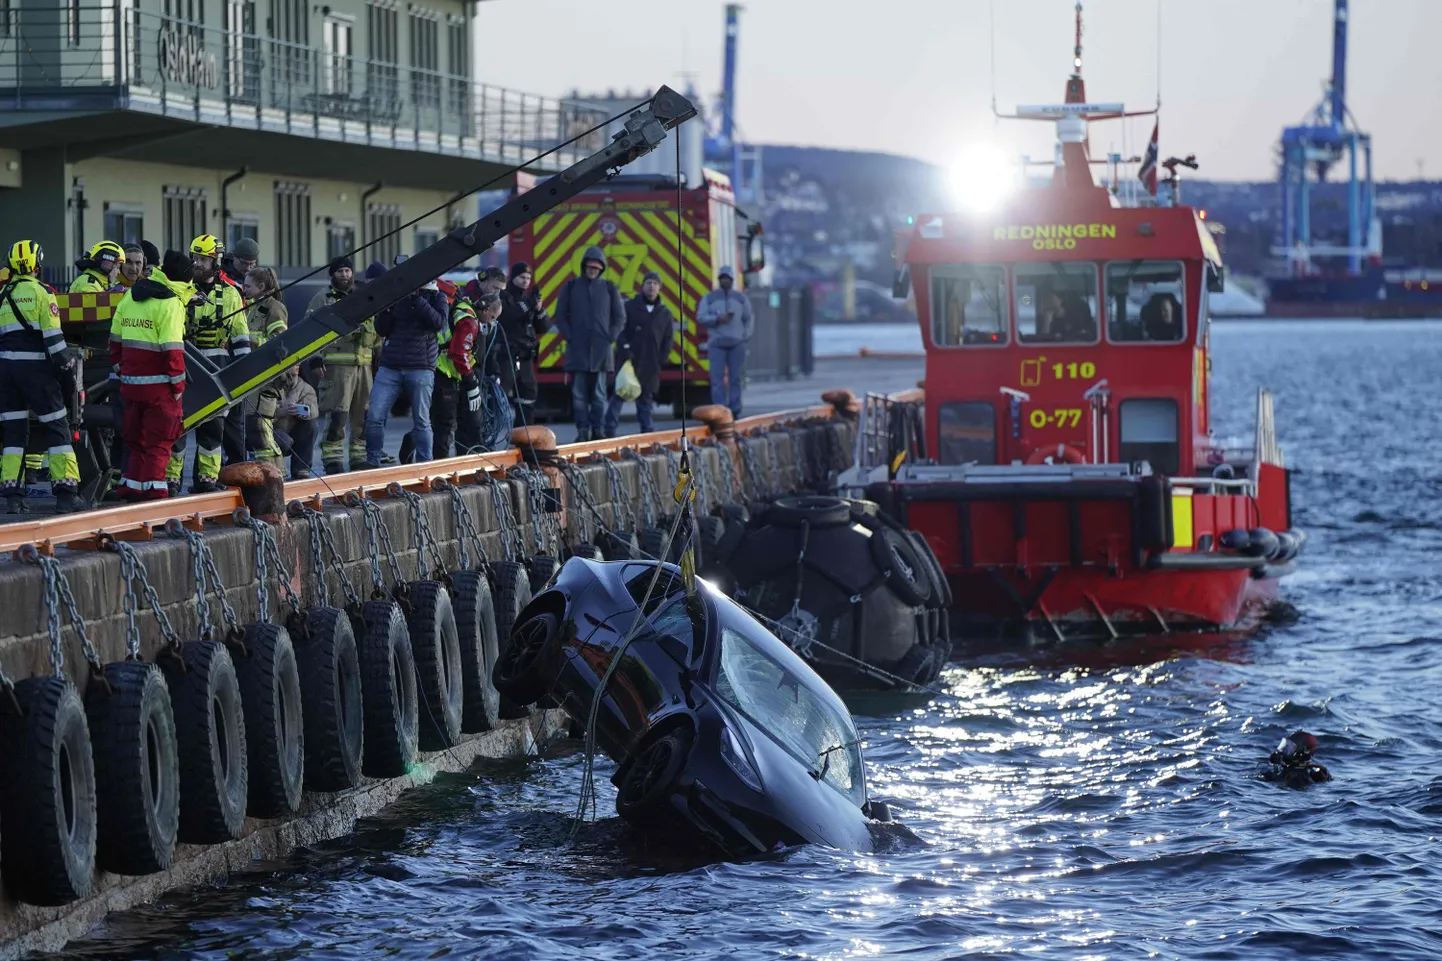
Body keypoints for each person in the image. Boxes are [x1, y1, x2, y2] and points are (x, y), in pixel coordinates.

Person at [0, 240, 82, 513]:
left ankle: (12, 496)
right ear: (37, 265)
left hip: (6, 375)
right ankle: (66, 494)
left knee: (13, 435)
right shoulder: (43, 293)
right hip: (37, 373)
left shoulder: (3, 295)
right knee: (56, 428)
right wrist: (68, 370)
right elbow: (55, 343)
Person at [164, 234, 249, 494]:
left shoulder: (232, 293)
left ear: (217, 262)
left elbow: (240, 335)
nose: (198, 264)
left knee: (214, 429)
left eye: (204, 259)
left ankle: (207, 480)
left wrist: (243, 369)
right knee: (179, 425)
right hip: (187, 363)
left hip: (218, 365)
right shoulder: (180, 290)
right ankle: (171, 480)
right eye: (196, 258)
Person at [110, 250, 191, 501]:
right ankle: (155, 492)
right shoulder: (172, 303)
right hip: (160, 388)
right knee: (159, 441)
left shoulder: (131, 297)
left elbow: (115, 339)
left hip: (131, 384)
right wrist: (178, 385)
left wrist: (120, 369)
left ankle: (131, 485)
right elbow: (172, 350)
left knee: (135, 439)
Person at [364, 268, 446, 467]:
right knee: (374, 415)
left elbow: (439, 323)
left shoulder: (437, 296)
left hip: (421, 366)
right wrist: (389, 305)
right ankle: (372, 461)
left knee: (421, 420)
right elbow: (382, 329)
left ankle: (425, 465)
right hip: (391, 365)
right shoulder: (396, 297)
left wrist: (417, 299)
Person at [308, 256, 376, 474]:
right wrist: (315, 358)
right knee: (337, 415)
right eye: (340, 272)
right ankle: (332, 460)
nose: (345, 275)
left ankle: (358, 459)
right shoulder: (322, 299)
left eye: (347, 271)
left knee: (362, 416)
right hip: (336, 369)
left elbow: (376, 330)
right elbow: (310, 330)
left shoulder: (363, 297)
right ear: (332, 275)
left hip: (364, 367)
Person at [554, 245, 624, 441]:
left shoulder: (610, 288)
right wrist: (570, 336)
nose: (592, 270)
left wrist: (611, 337)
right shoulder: (570, 287)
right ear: (584, 267)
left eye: (596, 267)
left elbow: (620, 317)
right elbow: (560, 316)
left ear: (601, 268)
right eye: (590, 267)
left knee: (599, 395)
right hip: (578, 351)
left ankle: (598, 430)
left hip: (602, 351)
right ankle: (582, 431)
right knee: (578, 396)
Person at [434, 290, 502, 457]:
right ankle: (440, 468)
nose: (492, 322)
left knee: (463, 423)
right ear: (486, 310)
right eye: (493, 317)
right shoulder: (468, 322)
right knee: (446, 425)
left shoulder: (466, 313)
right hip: (446, 374)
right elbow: (459, 353)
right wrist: (471, 381)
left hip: (453, 375)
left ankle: (462, 462)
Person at [610, 271, 675, 434]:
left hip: (650, 364)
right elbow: (620, 331)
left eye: (655, 283)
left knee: (646, 401)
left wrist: (661, 360)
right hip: (629, 362)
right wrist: (625, 350)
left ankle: (647, 431)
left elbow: (668, 339)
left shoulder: (665, 314)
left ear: (659, 288)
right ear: (643, 286)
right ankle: (608, 429)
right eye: (648, 283)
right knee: (620, 395)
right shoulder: (630, 307)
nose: (651, 286)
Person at [243, 267, 290, 470]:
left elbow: (279, 342)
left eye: (248, 286)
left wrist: (248, 340)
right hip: (254, 377)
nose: (244, 289)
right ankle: (267, 471)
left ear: (261, 287)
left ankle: (276, 472)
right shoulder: (253, 308)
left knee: (261, 428)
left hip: (267, 379)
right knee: (255, 429)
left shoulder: (274, 308)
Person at [696, 265, 753, 418]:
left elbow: (748, 318)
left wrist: (745, 336)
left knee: (735, 378)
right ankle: (719, 408)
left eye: (728, 278)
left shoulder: (740, 298)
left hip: (736, 343)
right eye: (722, 278)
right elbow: (701, 317)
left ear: (732, 280)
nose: (725, 281)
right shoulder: (709, 298)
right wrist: (716, 319)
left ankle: (735, 409)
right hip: (717, 343)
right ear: (719, 280)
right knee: (716, 378)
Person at [496, 261, 549, 416]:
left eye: (528, 278)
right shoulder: (504, 297)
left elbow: (543, 328)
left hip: (525, 357)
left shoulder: (529, 299)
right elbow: (507, 317)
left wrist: (539, 310)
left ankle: (524, 438)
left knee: (528, 395)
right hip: (507, 356)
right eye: (521, 277)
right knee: (501, 393)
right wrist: (527, 304)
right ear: (512, 277)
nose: (525, 281)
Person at [257, 365, 318, 479]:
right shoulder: (270, 387)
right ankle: (274, 471)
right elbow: (260, 415)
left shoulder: (305, 388)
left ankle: (301, 469)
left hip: (293, 430)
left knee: (311, 426)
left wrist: (303, 412)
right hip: (273, 431)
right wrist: (281, 412)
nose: (298, 365)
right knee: (284, 441)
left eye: (299, 363)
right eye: (294, 363)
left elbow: (314, 411)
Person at [1262, 730, 1332, 788]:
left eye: (1289, 748)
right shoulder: (1285, 769)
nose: (1284, 751)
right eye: (1285, 746)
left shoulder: (1299, 778)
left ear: (1302, 752)